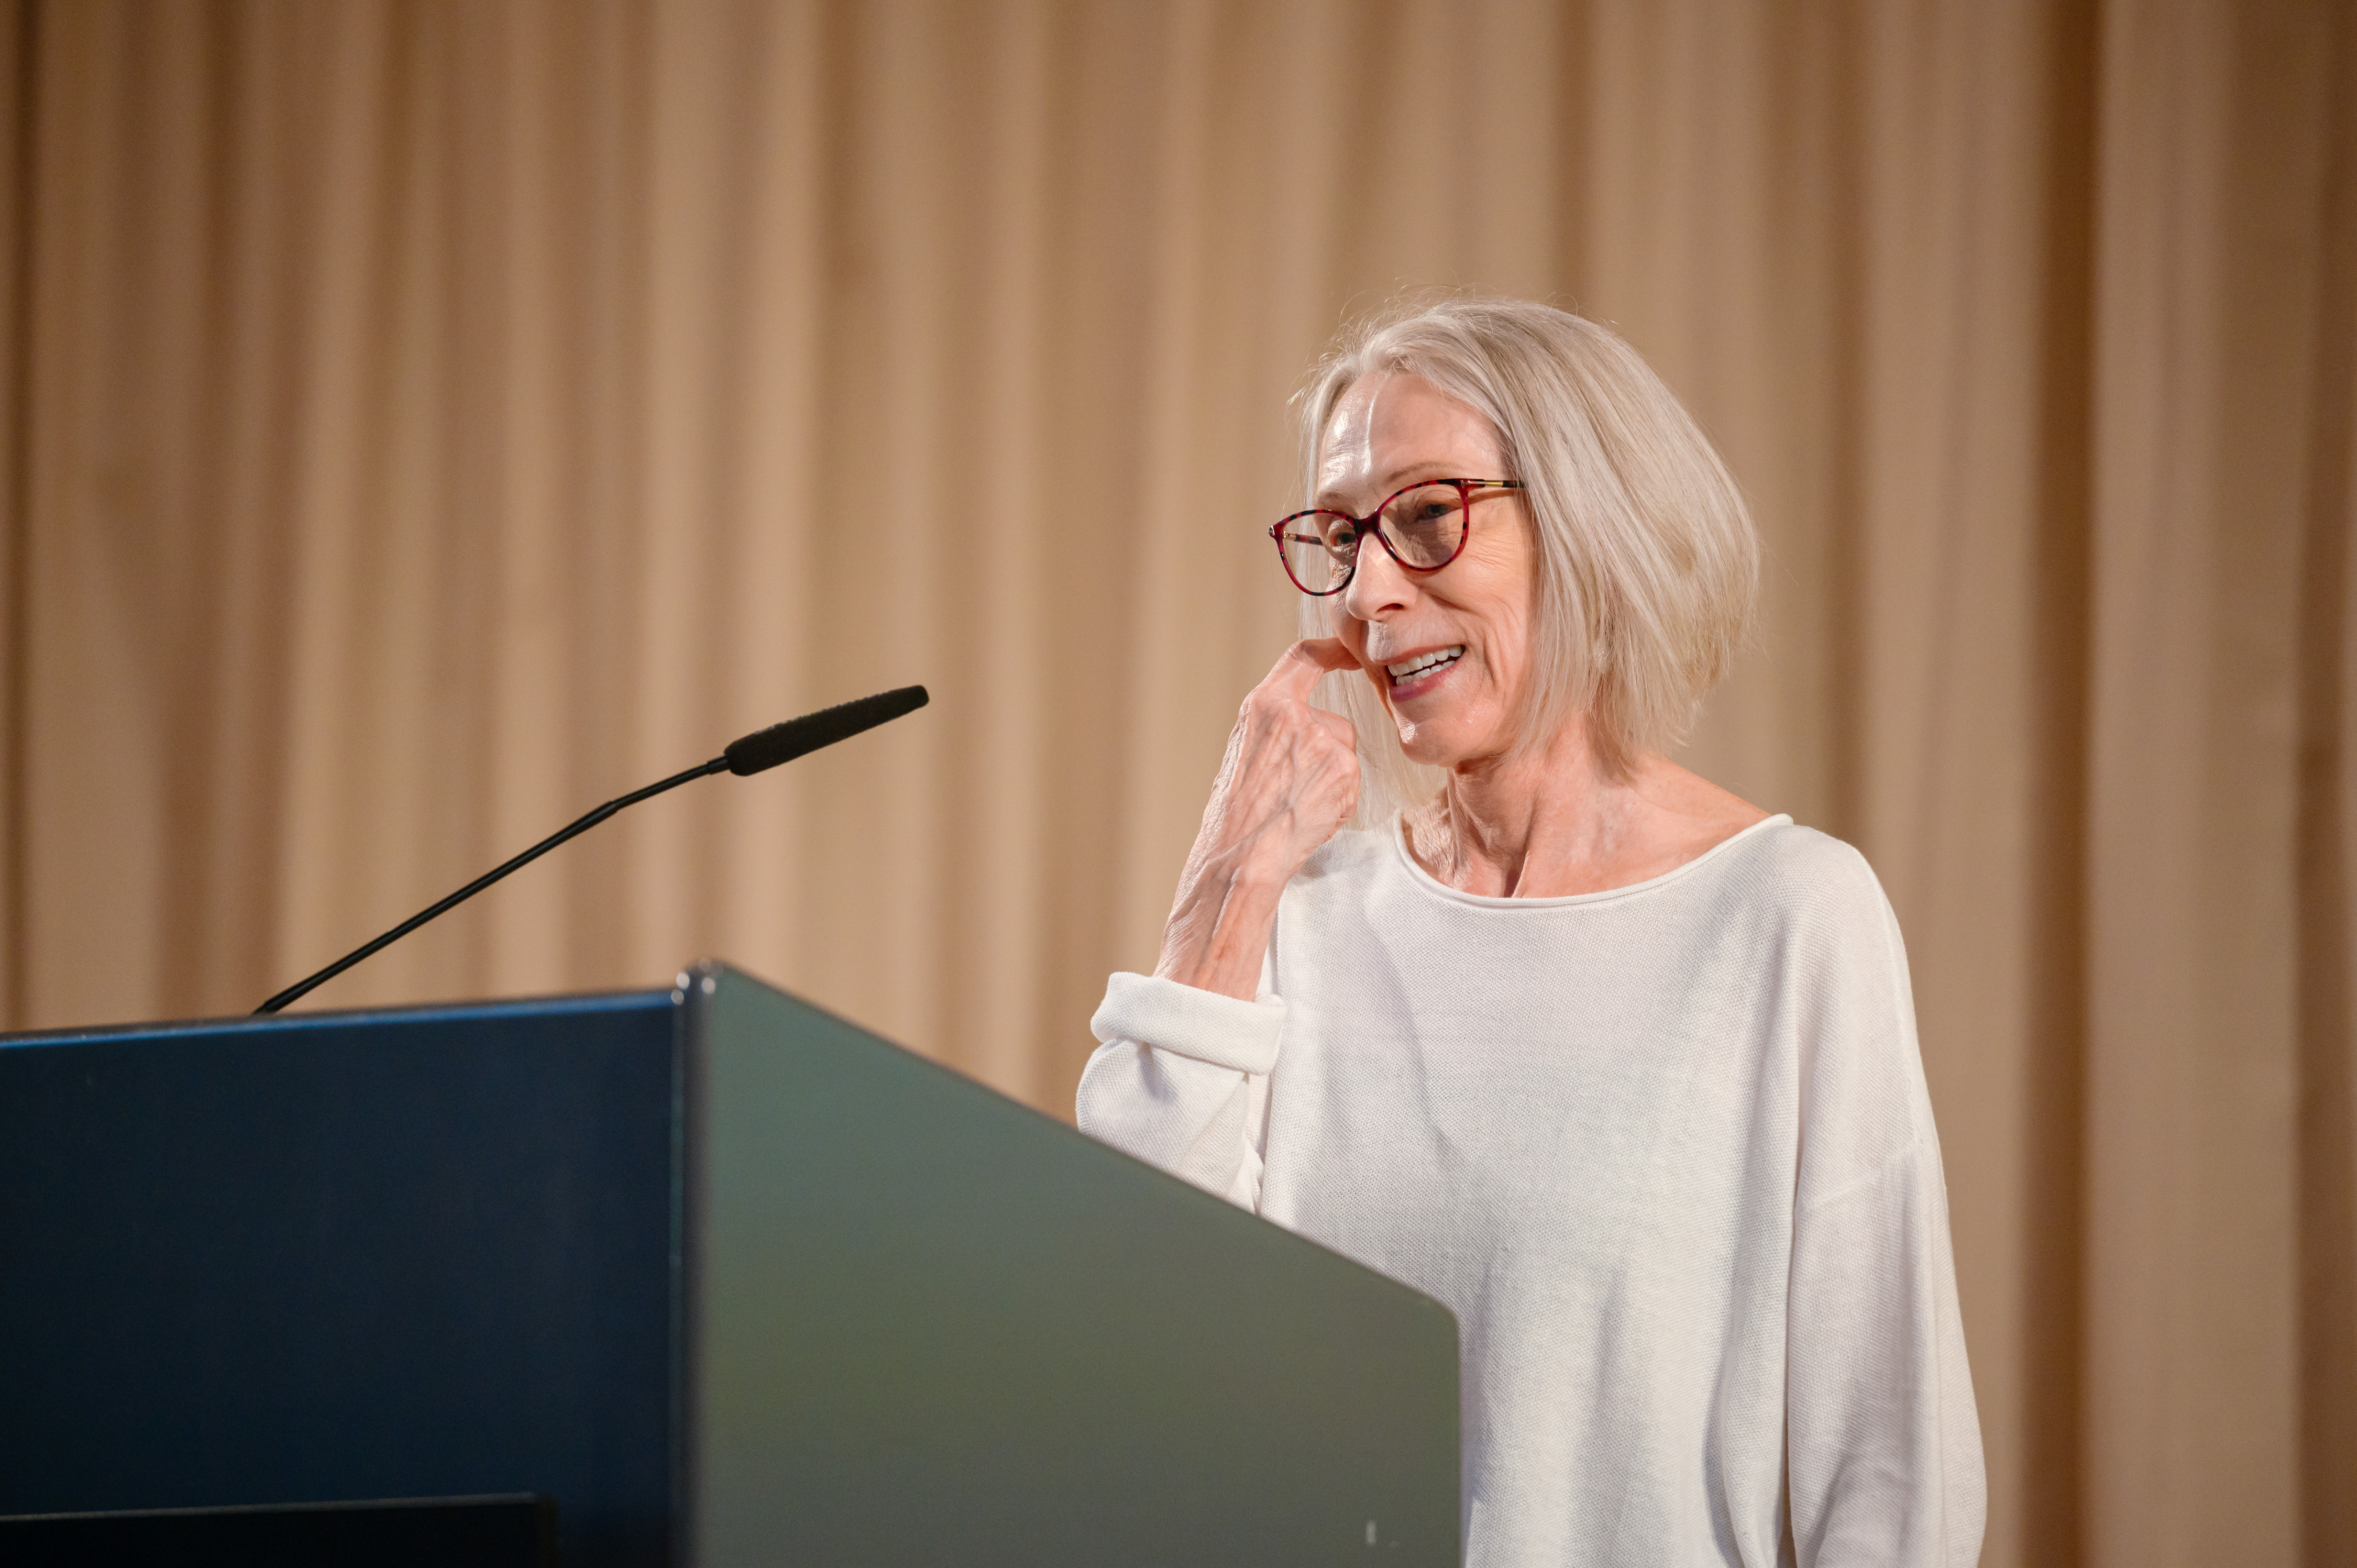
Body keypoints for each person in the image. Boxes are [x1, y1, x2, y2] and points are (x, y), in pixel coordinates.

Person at [1077, 297, 1985, 1566]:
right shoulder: (1302, 915)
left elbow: (1892, 1481)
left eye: (1426, 517)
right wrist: (1231, 874)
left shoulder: (1788, 916)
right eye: (1341, 536)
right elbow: (1132, 1322)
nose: (1369, 592)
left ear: (1589, 524)